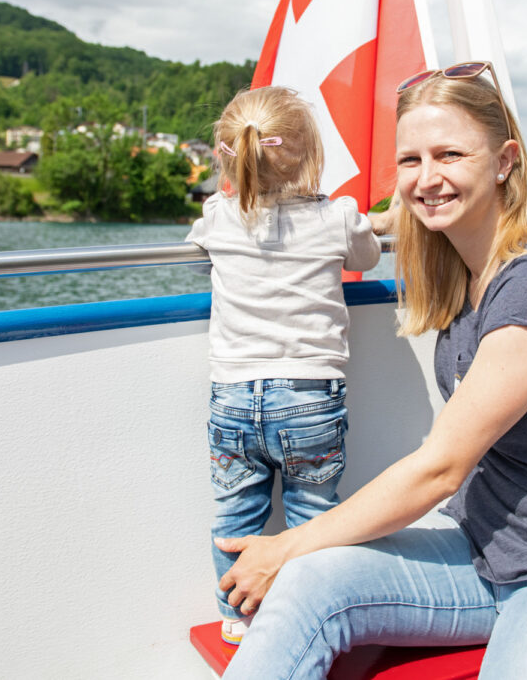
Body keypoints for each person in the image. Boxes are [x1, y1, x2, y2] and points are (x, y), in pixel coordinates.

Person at [215, 61, 527, 680]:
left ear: (505, 160)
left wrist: (285, 543)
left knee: (296, 555)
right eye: (410, 161)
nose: (427, 179)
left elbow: (441, 467)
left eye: (449, 155)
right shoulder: (465, 278)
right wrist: (295, 556)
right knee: (308, 580)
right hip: (483, 552)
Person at [186, 85, 381, 646]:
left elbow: (201, 259)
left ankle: (236, 617)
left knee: (235, 512)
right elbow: (364, 259)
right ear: (308, 153)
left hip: (232, 394)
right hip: (308, 396)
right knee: (313, 514)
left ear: (228, 154)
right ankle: (305, 617)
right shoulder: (339, 216)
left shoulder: (217, 217)